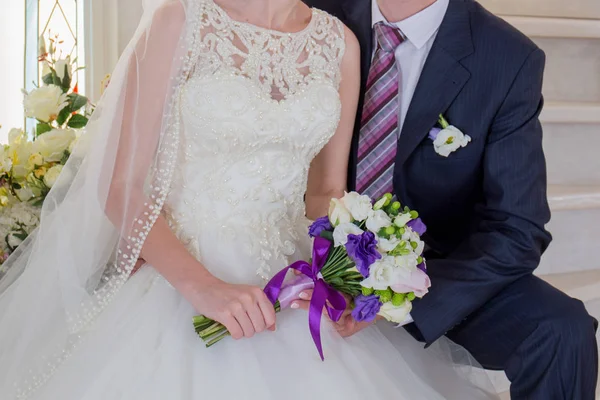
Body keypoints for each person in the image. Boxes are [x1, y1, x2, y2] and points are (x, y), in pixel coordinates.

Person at [0, 0, 498, 399]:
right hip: (183, 277)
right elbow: (122, 187)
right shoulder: (180, 20)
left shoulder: (339, 44)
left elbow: (324, 192)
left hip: (292, 280)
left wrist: (344, 278)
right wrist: (205, 289)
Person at [300, 0, 599, 398]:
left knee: (562, 330)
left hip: (429, 268)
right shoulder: (309, 13)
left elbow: (518, 228)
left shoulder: (507, 58)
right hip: (300, 237)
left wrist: (397, 297)